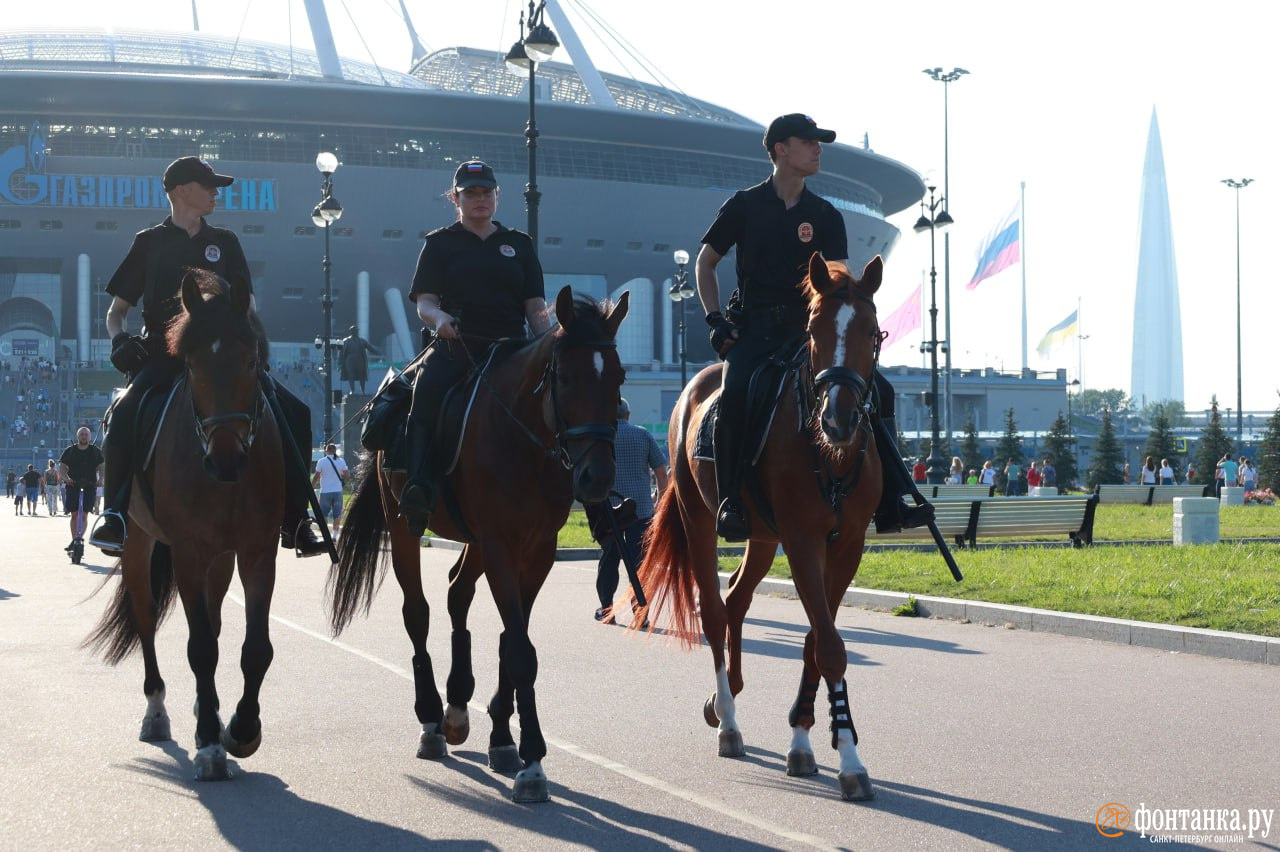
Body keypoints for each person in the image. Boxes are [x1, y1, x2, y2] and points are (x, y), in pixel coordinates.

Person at [693, 114, 934, 540]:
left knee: (882, 391)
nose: (818, 149)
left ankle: (893, 498)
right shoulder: (743, 206)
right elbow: (705, 263)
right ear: (781, 149)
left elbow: (837, 282)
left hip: (808, 336)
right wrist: (715, 321)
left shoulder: (825, 215)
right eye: (809, 142)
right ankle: (730, 501)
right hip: (753, 333)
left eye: (819, 143)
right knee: (733, 397)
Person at [91, 156, 326, 557]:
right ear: (182, 191)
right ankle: (113, 514)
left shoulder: (227, 242)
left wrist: (245, 342)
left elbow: (246, 302)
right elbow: (116, 313)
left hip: (223, 360)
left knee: (296, 413)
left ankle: (297, 519)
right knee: (123, 413)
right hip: (162, 358)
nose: (217, 192)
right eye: (209, 185)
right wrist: (119, 341)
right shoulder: (149, 242)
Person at [398, 160, 551, 535]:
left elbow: (535, 308)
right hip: (457, 347)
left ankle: (586, 492)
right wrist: (440, 319)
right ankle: (418, 483)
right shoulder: (439, 243)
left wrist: (550, 342)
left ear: (497, 196)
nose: (479, 199)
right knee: (425, 393)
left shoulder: (519, 244)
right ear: (456, 198)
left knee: (564, 396)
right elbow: (425, 302)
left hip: (512, 348)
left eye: (486, 193)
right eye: (470, 193)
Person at [593, 398, 668, 623]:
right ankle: (641, 613)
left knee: (609, 560)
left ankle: (607, 610)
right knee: (640, 563)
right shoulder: (643, 435)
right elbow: (661, 473)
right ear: (629, 414)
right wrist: (660, 501)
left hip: (610, 510)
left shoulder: (602, 437)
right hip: (640, 509)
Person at [59, 426, 104, 550]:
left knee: (84, 515)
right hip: (73, 485)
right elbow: (62, 467)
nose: (84, 436)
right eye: (81, 434)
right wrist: (65, 478)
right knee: (74, 515)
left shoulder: (95, 451)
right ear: (77, 436)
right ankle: (75, 539)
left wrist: (100, 479)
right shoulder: (70, 451)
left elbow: (101, 466)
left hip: (90, 485)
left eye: (86, 434)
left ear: (89, 437)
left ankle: (78, 539)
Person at [313, 443, 350, 533]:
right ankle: (334, 535)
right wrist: (339, 472)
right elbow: (347, 475)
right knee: (337, 515)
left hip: (325, 492)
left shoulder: (321, 461)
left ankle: (326, 535)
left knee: (323, 515)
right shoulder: (341, 461)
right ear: (335, 451)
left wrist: (312, 487)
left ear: (326, 451)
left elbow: (316, 477)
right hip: (337, 492)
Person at [338, 326, 381, 395]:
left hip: (360, 360)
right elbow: (341, 352)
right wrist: (340, 363)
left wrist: (378, 352)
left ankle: (362, 390)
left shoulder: (361, 341)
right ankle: (352, 390)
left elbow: (370, 348)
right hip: (349, 361)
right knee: (350, 375)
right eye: (355, 331)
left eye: (357, 331)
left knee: (361, 376)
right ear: (351, 331)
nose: (357, 332)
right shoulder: (346, 341)